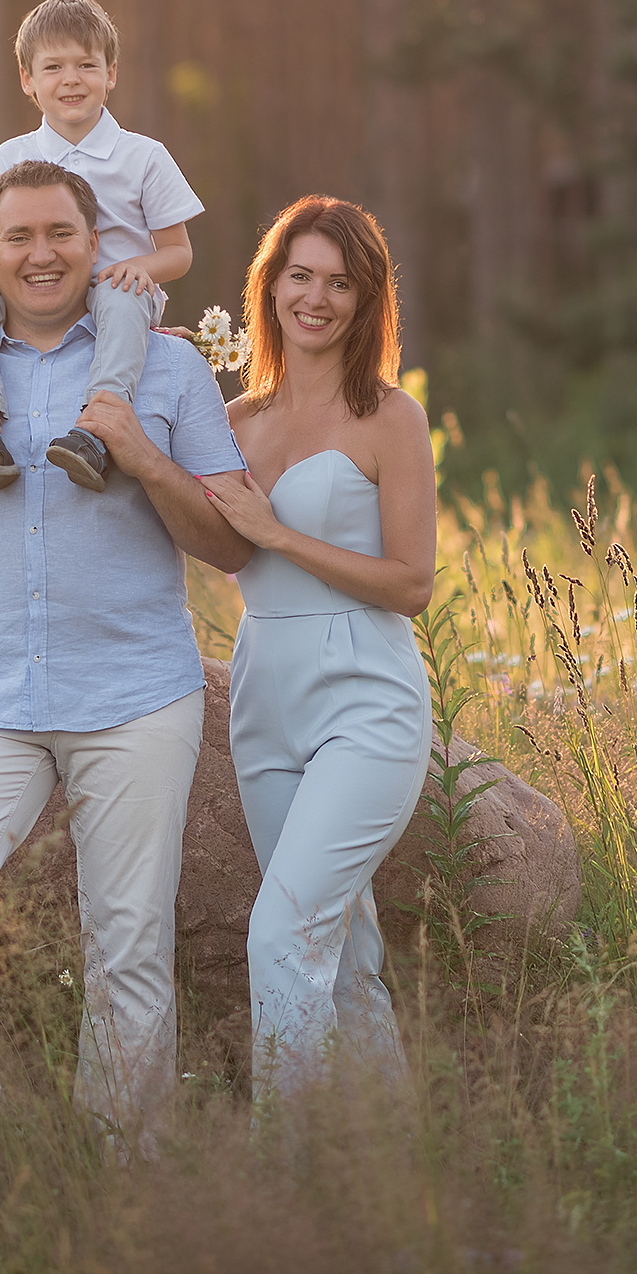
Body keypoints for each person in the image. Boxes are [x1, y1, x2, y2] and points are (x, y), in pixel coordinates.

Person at [0, 160, 250, 1142]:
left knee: (128, 950)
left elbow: (230, 544)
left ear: (96, 244)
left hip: (136, 698)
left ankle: (121, 1176)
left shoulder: (168, 368)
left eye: (60, 233)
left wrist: (141, 454)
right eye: (18, 236)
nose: (41, 254)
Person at [201, 196, 437, 1099]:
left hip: (366, 697)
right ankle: (387, 1164)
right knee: (339, 954)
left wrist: (279, 533)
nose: (317, 298)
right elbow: (209, 539)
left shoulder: (390, 418)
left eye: (340, 283)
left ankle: (287, 1165)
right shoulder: (232, 421)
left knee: (283, 934)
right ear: (270, 287)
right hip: (264, 693)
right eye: (299, 275)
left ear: (366, 300)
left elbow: (411, 584)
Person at [0, 0, 203, 497]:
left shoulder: (143, 156)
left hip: (117, 295)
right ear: (27, 80)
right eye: (53, 67)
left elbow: (179, 252)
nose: (71, 79)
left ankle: (97, 429)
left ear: (111, 73)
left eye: (86, 65)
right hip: (34, 293)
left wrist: (140, 268)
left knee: (119, 299)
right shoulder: (9, 157)